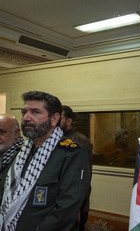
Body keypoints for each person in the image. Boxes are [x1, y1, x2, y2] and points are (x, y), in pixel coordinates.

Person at [0, 91, 90, 230]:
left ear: (54, 119)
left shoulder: (72, 154)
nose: (26, 118)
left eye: (35, 112)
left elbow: (65, 211)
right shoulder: (20, 153)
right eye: (24, 112)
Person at [60, 105, 93, 231]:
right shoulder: (56, 138)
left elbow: (83, 177)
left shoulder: (80, 141)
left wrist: (79, 207)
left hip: (75, 205)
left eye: (60, 118)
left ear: (69, 121)